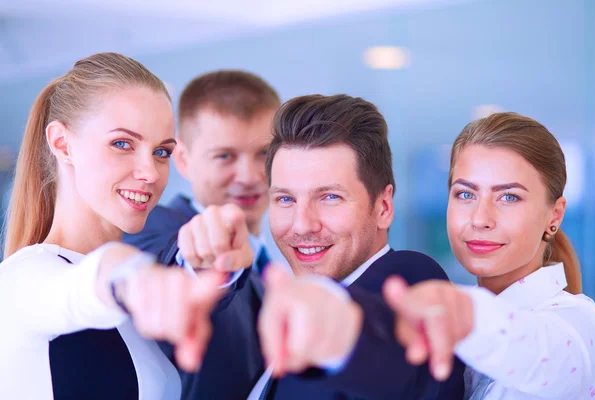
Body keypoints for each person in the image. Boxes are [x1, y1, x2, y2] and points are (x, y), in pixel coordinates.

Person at [170, 94, 466, 399]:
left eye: (329, 197)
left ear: (383, 206)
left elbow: (384, 346)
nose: (302, 225)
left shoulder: (409, 277)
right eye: (286, 199)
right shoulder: (281, 308)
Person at [0, 52, 235, 400]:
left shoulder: (133, 310)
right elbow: (83, 285)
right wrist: (129, 276)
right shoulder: (21, 279)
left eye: (161, 152)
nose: (150, 173)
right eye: (122, 144)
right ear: (63, 145)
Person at [383, 112, 595, 399]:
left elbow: (531, 350)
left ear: (555, 215)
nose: (480, 219)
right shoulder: (453, 347)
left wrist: (458, 312)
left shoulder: (583, 326)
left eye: (509, 197)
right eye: (465, 194)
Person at [123, 70, 280, 399]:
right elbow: (171, 261)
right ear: (183, 159)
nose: (248, 176)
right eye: (225, 156)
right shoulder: (155, 229)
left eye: (264, 154)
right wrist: (203, 264)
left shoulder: (272, 267)